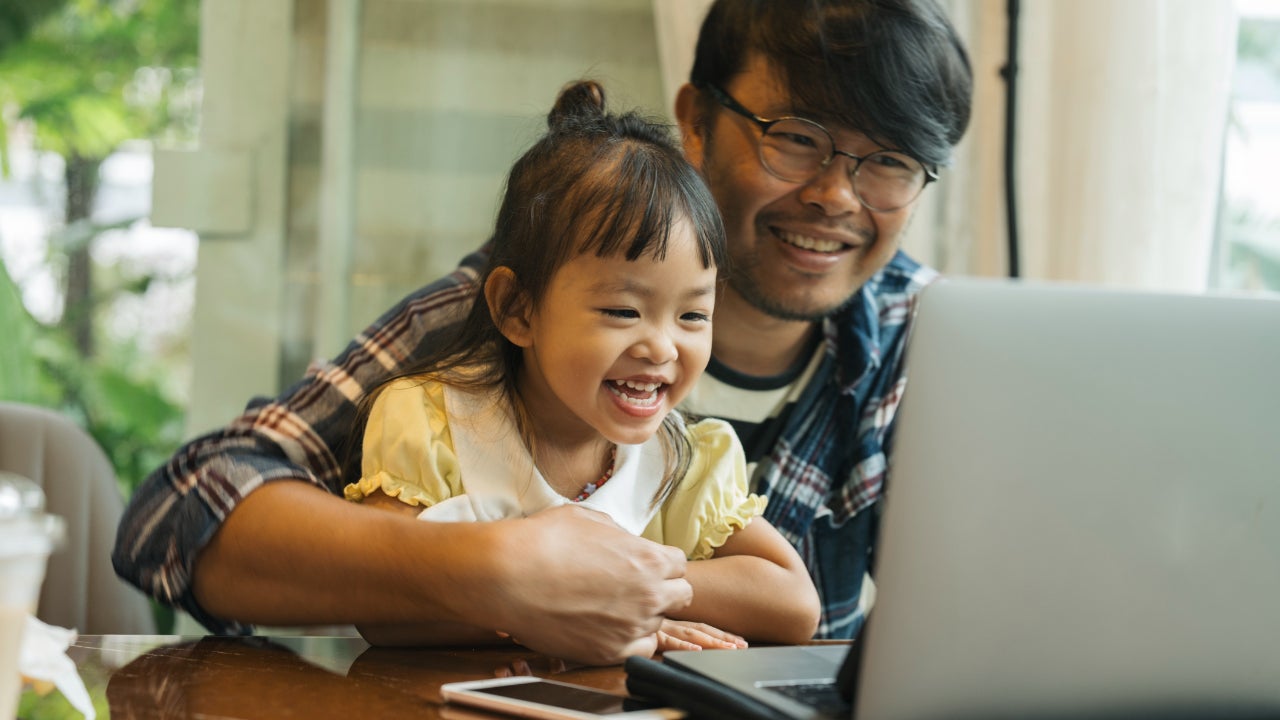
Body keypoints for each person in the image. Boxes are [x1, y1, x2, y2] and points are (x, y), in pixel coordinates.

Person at [113, 0, 972, 662]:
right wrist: (484, 573)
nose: (837, 195)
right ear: (697, 121)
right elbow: (181, 514)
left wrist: (640, 590)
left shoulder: (935, 341)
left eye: (889, 160)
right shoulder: (519, 311)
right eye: (798, 138)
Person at [344, 80, 819, 655]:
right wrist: (548, 610)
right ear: (518, 310)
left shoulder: (680, 461)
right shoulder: (433, 424)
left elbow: (794, 604)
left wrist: (632, 592)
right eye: (623, 310)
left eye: (693, 314)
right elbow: (379, 607)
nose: (663, 347)